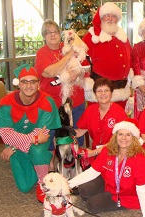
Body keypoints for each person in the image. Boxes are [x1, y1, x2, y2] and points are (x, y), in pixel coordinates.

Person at [0, 64, 61, 202]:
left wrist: (16, 144)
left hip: (33, 146)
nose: (29, 85)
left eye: (33, 81)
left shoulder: (47, 101)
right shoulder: (6, 102)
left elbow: (42, 135)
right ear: (18, 84)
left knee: (37, 150)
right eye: (24, 81)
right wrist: (29, 141)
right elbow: (6, 135)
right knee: (24, 186)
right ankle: (40, 165)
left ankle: (43, 182)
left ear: (38, 84)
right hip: (16, 147)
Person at [69, 119, 145, 217]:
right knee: (83, 189)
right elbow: (92, 172)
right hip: (109, 182)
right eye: (120, 134)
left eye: (128, 135)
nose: (124, 138)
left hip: (126, 195)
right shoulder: (107, 151)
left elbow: (141, 190)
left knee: (92, 205)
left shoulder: (141, 160)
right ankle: (103, 193)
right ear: (115, 136)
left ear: (134, 138)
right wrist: (68, 184)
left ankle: (108, 198)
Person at [34, 19, 88, 148]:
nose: (52, 35)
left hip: (75, 101)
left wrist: (78, 73)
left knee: (76, 134)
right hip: (53, 103)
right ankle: (52, 164)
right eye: (48, 32)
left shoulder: (69, 45)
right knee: (52, 136)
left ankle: (77, 161)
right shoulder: (42, 53)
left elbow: (85, 66)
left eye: (55, 32)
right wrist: (68, 56)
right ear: (44, 36)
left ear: (60, 34)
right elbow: (49, 72)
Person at [83, 2, 133, 108]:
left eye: (113, 16)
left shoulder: (123, 37)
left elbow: (130, 58)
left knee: (119, 121)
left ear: (117, 19)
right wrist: (86, 78)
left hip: (121, 90)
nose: (110, 18)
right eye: (107, 16)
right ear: (101, 18)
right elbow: (81, 60)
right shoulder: (91, 37)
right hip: (100, 92)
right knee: (98, 120)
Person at [75, 78, 127, 165]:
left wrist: (94, 152)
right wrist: (65, 131)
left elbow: (120, 140)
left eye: (106, 90)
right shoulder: (90, 110)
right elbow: (79, 132)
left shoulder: (119, 112)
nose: (103, 93)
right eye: (99, 91)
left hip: (115, 154)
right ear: (95, 95)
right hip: (96, 155)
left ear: (111, 94)